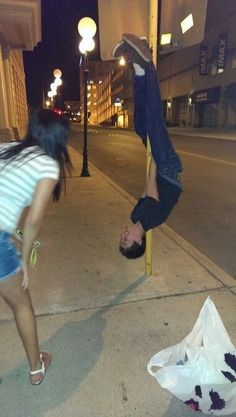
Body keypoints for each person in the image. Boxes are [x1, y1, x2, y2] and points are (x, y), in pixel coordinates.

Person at [0, 108, 72, 384]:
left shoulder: (6, 148)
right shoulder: (47, 165)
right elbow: (34, 221)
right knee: (21, 305)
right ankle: (36, 367)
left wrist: (11, 232)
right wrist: (25, 258)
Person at [112, 34, 183, 259]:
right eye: (127, 240)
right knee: (152, 119)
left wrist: (151, 160)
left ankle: (139, 70)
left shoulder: (136, 217)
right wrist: (153, 162)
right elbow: (152, 190)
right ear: (138, 240)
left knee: (141, 124)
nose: (123, 235)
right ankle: (147, 64)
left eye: (121, 239)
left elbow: (144, 193)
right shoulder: (152, 220)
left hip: (161, 169)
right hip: (167, 170)